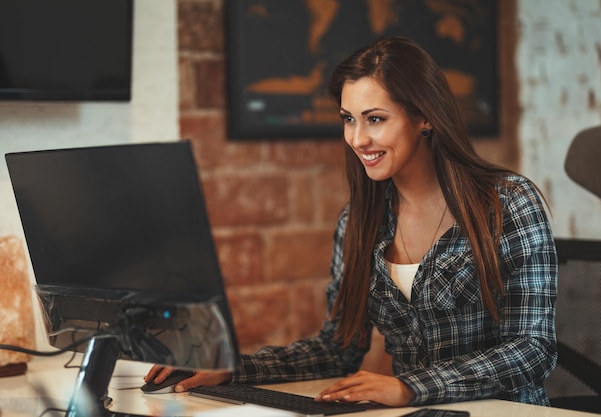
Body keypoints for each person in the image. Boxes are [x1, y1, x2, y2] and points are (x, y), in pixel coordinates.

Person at [145, 36, 558, 407]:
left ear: (425, 117)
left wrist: (411, 387)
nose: (358, 139)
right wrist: (233, 369)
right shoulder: (361, 220)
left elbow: (532, 348)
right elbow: (337, 349)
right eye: (348, 119)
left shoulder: (507, 204)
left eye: (375, 119)